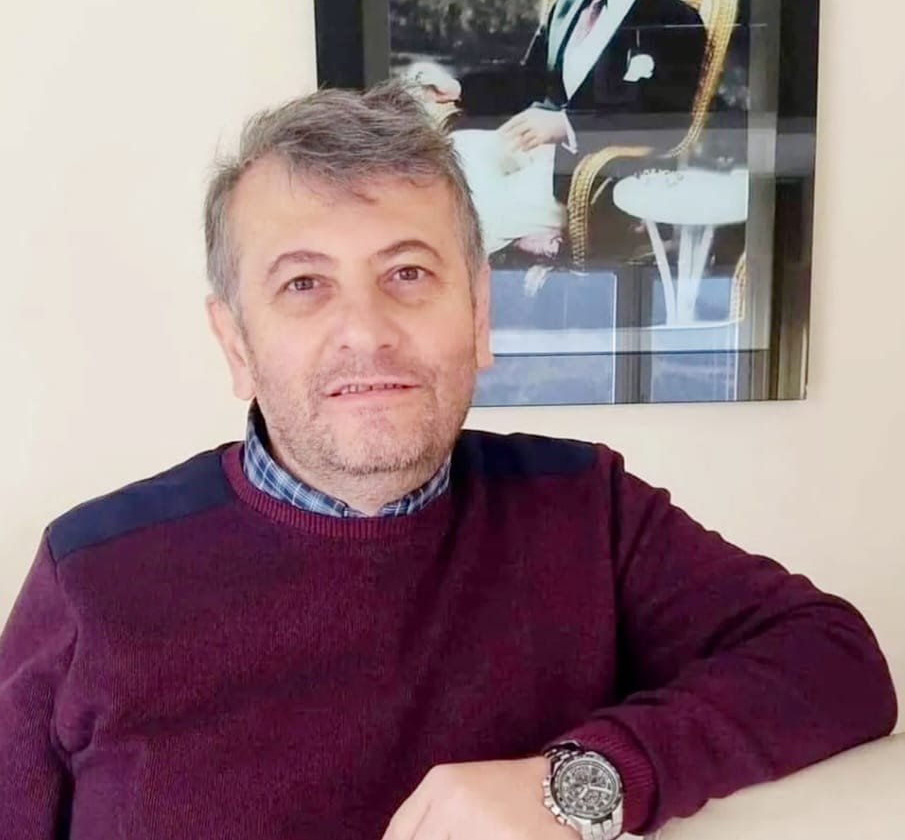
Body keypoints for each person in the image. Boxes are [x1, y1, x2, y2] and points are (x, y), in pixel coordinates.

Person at [0, 83, 895, 840]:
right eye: (303, 284)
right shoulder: (91, 574)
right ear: (235, 341)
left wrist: (576, 782)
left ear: (478, 315)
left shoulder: (584, 509)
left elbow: (836, 661)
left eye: (408, 273)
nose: (366, 331)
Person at [413, 0, 708, 262]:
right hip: (531, 150)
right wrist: (458, 88)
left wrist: (567, 124)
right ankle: (521, 236)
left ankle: (491, 256)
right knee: (448, 162)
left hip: (590, 172)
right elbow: (530, 79)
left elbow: (663, 119)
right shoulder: (570, 3)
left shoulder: (674, 19)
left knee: (468, 217)